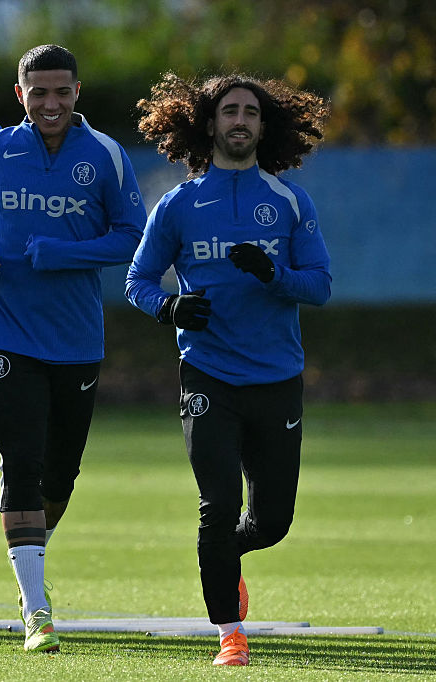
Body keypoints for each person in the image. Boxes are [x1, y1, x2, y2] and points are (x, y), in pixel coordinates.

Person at [0, 44, 147, 653]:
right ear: (20, 94)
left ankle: (27, 557)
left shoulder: (105, 155)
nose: (50, 103)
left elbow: (131, 237)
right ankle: (36, 609)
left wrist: (63, 255)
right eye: (39, 92)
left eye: (61, 92)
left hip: (77, 339)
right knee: (21, 462)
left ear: (76, 92)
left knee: (61, 474)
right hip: (4, 333)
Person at [126, 72, 331, 666]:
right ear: (208, 123)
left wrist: (273, 275)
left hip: (276, 377)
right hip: (207, 372)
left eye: (250, 112)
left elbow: (318, 286)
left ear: (265, 127)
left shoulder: (289, 201)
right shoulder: (179, 203)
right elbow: (137, 281)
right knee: (216, 505)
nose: (239, 120)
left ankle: (225, 558)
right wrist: (168, 307)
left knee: (271, 522)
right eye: (228, 110)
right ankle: (230, 634)